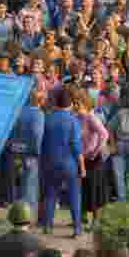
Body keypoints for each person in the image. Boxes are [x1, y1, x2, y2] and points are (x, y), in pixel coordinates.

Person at [40, 89, 85, 238]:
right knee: (74, 195)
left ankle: (47, 226)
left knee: (50, 194)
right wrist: (82, 167)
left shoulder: (47, 118)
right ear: (71, 103)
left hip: (50, 162)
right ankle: (77, 228)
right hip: (69, 163)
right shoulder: (73, 120)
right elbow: (77, 146)